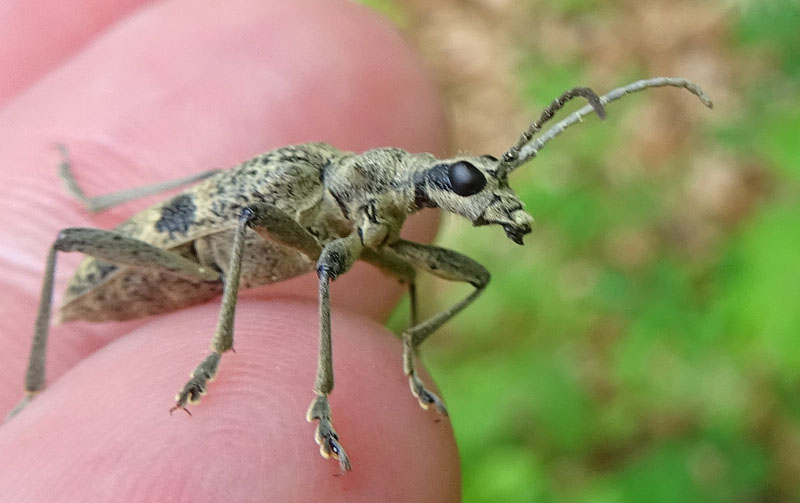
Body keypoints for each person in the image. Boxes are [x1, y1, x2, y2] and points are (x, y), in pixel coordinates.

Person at [0, 1, 460, 500]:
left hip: (218, 258)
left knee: (405, 273)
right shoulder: (315, 183)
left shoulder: (365, 210)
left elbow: (401, 269)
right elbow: (249, 219)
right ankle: (39, 385)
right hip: (160, 262)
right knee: (71, 239)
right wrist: (216, 355)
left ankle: (396, 359)